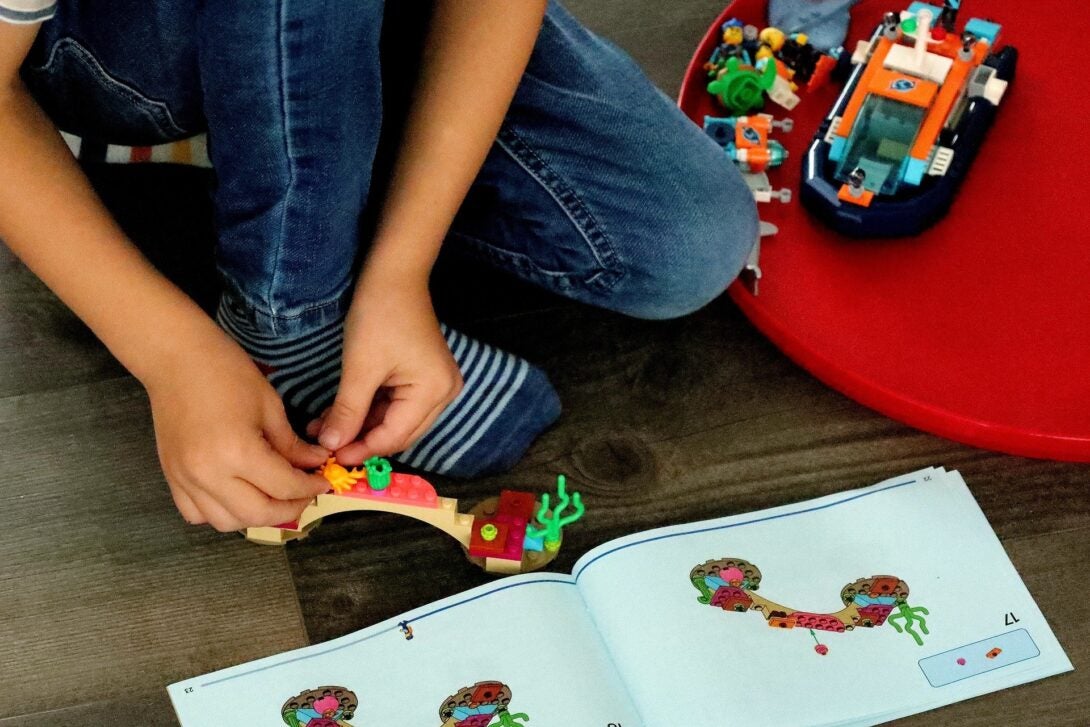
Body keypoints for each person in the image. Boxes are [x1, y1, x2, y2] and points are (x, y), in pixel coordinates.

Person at [0, 1, 757, 532]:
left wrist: (402, 268)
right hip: (106, 51)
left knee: (686, 242)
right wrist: (171, 354)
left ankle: (312, 157)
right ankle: (287, 320)